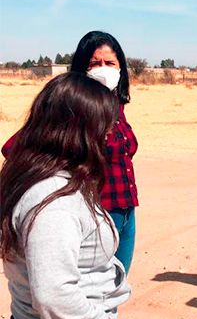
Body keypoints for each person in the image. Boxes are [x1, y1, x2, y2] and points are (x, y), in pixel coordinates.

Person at [0, 72, 131, 319]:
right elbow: (54, 296)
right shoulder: (55, 204)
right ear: (78, 132)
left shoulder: (39, 175)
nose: (108, 135)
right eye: (104, 127)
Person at [2, 30, 139, 274]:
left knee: (115, 287)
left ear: (121, 68)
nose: (103, 69)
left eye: (110, 63)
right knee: (91, 290)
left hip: (125, 211)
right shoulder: (71, 104)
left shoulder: (117, 106)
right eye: (95, 63)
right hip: (94, 214)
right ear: (81, 69)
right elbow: (15, 148)